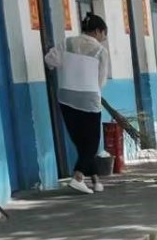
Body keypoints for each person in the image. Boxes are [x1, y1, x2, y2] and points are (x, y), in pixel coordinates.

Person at [44, 13, 111, 194]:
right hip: (89, 98)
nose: (104, 37)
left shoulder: (67, 43)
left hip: (66, 97)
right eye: (104, 33)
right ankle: (79, 177)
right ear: (97, 31)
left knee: (81, 141)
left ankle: (96, 180)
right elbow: (101, 80)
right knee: (92, 142)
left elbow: (50, 60)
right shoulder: (100, 51)